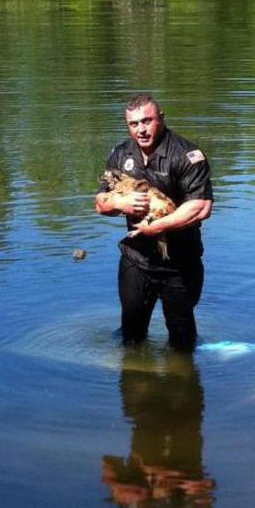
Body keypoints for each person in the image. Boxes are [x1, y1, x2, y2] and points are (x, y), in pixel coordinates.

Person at [95, 94, 213, 351]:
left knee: (183, 345)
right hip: (136, 258)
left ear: (161, 118)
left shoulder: (187, 155)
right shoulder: (120, 154)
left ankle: (182, 382)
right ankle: (136, 381)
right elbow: (100, 202)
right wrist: (119, 205)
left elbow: (200, 208)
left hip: (180, 262)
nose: (141, 130)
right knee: (131, 337)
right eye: (134, 124)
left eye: (147, 121)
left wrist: (157, 227)